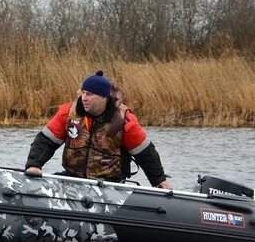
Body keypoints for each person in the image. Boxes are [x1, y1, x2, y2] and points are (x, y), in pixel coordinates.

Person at [25, 70, 172, 189]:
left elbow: (145, 153)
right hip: (72, 178)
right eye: (83, 92)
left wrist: (159, 180)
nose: (84, 98)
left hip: (108, 185)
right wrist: (34, 165)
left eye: (89, 94)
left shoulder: (124, 120)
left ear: (103, 98)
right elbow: (45, 141)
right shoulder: (68, 113)